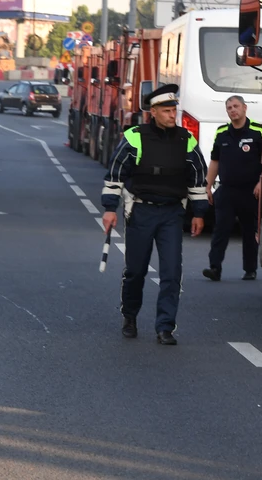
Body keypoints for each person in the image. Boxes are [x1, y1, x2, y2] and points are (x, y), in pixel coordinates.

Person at [101, 83, 209, 346]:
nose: (173, 115)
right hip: (141, 211)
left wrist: (199, 212)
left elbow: (197, 177)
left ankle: (165, 327)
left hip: (172, 214)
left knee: (171, 273)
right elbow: (116, 173)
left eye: (174, 110)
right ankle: (130, 316)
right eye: (167, 111)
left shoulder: (186, 139)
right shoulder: (135, 137)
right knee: (136, 270)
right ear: (154, 112)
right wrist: (109, 209)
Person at [202, 95, 262, 282]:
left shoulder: (258, 131)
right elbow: (215, 161)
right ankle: (215, 268)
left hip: (250, 191)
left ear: (245, 108)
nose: (233, 110)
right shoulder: (222, 133)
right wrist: (207, 186)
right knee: (220, 230)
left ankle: (250, 269)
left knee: (249, 231)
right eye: (229, 107)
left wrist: (261, 182)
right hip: (227, 190)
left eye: (236, 106)